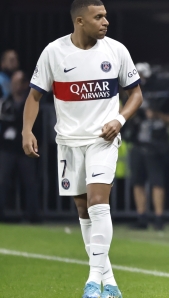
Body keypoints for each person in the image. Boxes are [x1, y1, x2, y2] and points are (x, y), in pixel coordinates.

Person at [22, 1, 143, 297]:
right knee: (83, 210)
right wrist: (27, 130)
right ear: (80, 21)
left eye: (106, 16)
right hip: (68, 142)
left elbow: (136, 94)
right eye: (98, 17)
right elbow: (34, 96)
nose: (106, 22)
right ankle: (110, 283)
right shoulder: (54, 52)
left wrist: (118, 119)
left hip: (103, 139)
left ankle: (92, 281)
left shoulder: (116, 50)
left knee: (99, 203)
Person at [129, 62, 169, 231]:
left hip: (155, 144)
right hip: (137, 142)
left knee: (157, 181)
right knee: (137, 181)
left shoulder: (162, 95)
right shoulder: (132, 94)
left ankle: (158, 217)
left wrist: (157, 115)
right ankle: (141, 216)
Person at [0, 71, 40, 223]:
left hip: (25, 149)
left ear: (24, 85)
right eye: (13, 82)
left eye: (18, 83)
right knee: (2, 182)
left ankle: (32, 215)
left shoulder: (30, 102)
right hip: (7, 148)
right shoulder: (6, 101)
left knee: (30, 182)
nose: (15, 86)